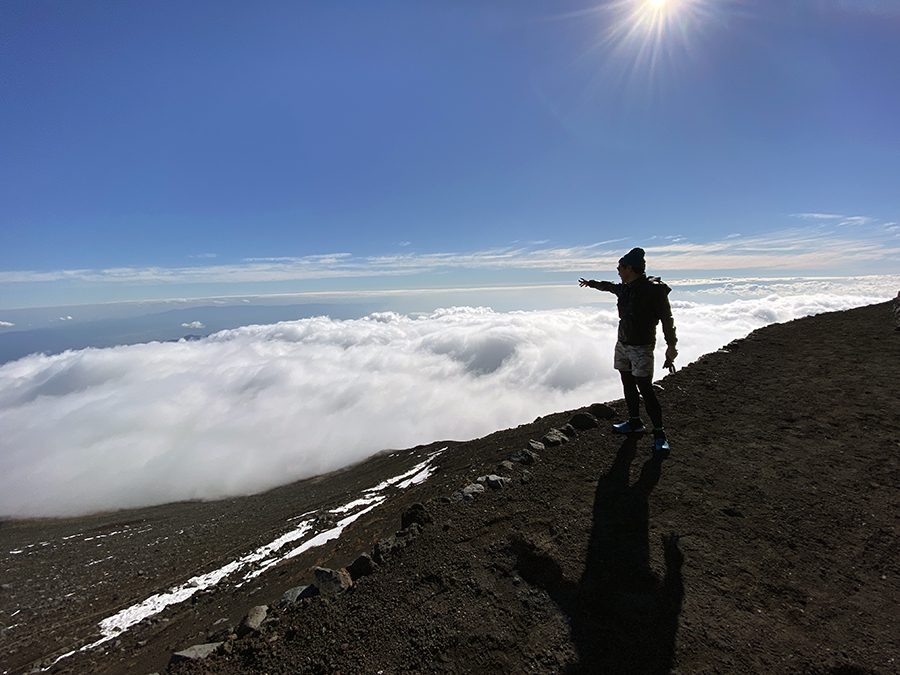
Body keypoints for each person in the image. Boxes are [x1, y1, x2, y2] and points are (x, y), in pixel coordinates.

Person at [579, 247, 678, 453]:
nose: (617, 270)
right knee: (627, 381)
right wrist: (591, 284)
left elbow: (667, 319)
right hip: (623, 343)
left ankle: (659, 434)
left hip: (641, 346)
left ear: (630, 268)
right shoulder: (626, 288)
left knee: (645, 388)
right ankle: (635, 422)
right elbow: (608, 286)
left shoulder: (653, 290)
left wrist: (671, 345)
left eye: (620, 267)